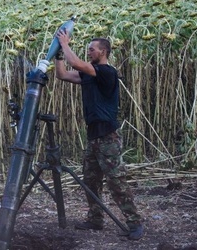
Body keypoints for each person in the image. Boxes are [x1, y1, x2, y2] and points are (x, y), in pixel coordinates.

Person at [54, 29, 144, 240]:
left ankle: (135, 223)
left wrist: (65, 43)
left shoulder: (107, 72)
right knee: (90, 180)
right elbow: (63, 74)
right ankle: (96, 219)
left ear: (103, 52)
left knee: (116, 181)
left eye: (92, 49)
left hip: (108, 137)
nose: (89, 52)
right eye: (88, 49)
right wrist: (58, 53)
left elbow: (75, 64)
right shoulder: (89, 74)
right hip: (93, 136)